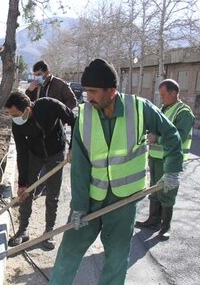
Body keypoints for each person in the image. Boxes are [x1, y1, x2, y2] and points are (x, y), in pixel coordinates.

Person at [50, 59, 183, 285]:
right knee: (69, 251)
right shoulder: (84, 115)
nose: (88, 96)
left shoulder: (140, 109)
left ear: (111, 91)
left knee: (117, 257)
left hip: (125, 200)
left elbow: (171, 135)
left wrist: (171, 171)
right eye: (86, 91)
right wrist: (79, 207)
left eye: (93, 91)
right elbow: (80, 167)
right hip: (91, 198)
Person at [5, 91, 76, 250]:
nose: (14, 118)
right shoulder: (17, 124)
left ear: (28, 109)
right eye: (11, 115)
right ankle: (23, 229)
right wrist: (22, 183)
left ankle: (49, 231)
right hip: (34, 154)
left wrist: (72, 148)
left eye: (15, 114)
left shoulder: (50, 105)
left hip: (56, 152)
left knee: (52, 193)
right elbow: (22, 153)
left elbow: (75, 120)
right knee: (26, 191)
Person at [135, 79, 195, 239]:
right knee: (154, 189)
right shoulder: (164, 108)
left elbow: (179, 137)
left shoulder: (184, 112)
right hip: (156, 158)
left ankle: (165, 226)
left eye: (163, 95)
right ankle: (153, 220)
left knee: (167, 190)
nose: (161, 98)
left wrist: (157, 138)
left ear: (174, 93)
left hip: (170, 160)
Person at [25, 60, 77, 198]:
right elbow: (26, 104)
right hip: (38, 129)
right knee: (39, 159)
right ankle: (39, 187)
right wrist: (29, 91)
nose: (37, 77)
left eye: (39, 74)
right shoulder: (35, 86)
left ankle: (40, 188)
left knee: (50, 160)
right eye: (34, 74)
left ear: (47, 73)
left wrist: (59, 114)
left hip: (55, 130)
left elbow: (72, 101)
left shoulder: (60, 85)